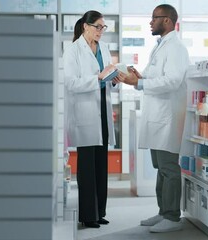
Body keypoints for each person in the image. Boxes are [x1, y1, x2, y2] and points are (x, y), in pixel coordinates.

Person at [122, 4, 190, 233]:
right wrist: (140, 76)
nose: (151, 22)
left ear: (168, 21)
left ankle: (172, 217)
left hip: (168, 117)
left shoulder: (176, 48)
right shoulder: (161, 47)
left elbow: (172, 81)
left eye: (155, 18)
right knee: (160, 167)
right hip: (157, 116)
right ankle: (163, 212)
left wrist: (139, 83)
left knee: (169, 167)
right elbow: (156, 76)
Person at [63, 10, 125, 228]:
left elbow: (105, 76)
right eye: (97, 26)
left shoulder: (105, 48)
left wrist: (114, 79)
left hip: (103, 110)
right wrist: (97, 78)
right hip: (85, 112)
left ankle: (99, 212)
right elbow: (70, 83)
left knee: (101, 164)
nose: (101, 31)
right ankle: (88, 216)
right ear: (85, 27)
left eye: (103, 27)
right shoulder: (72, 50)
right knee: (87, 166)